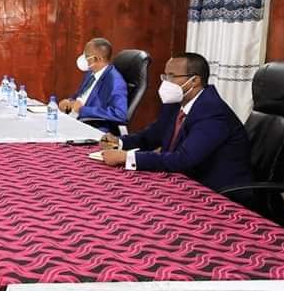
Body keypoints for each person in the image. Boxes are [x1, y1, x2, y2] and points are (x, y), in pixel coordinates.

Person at [100, 52, 253, 192]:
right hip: (180, 180)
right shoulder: (175, 103)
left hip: (218, 191)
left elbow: (184, 159)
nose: (166, 82)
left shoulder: (213, 112)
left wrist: (127, 158)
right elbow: (152, 135)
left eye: (172, 76)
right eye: (165, 76)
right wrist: (119, 142)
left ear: (194, 80)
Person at [58, 38, 128, 132]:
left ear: (98, 59)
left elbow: (120, 114)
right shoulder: (91, 73)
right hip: (75, 120)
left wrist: (83, 110)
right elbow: (80, 96)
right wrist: (69, 102)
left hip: (94, 128)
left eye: (86, 56)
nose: (83, 58)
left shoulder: (115, 81)